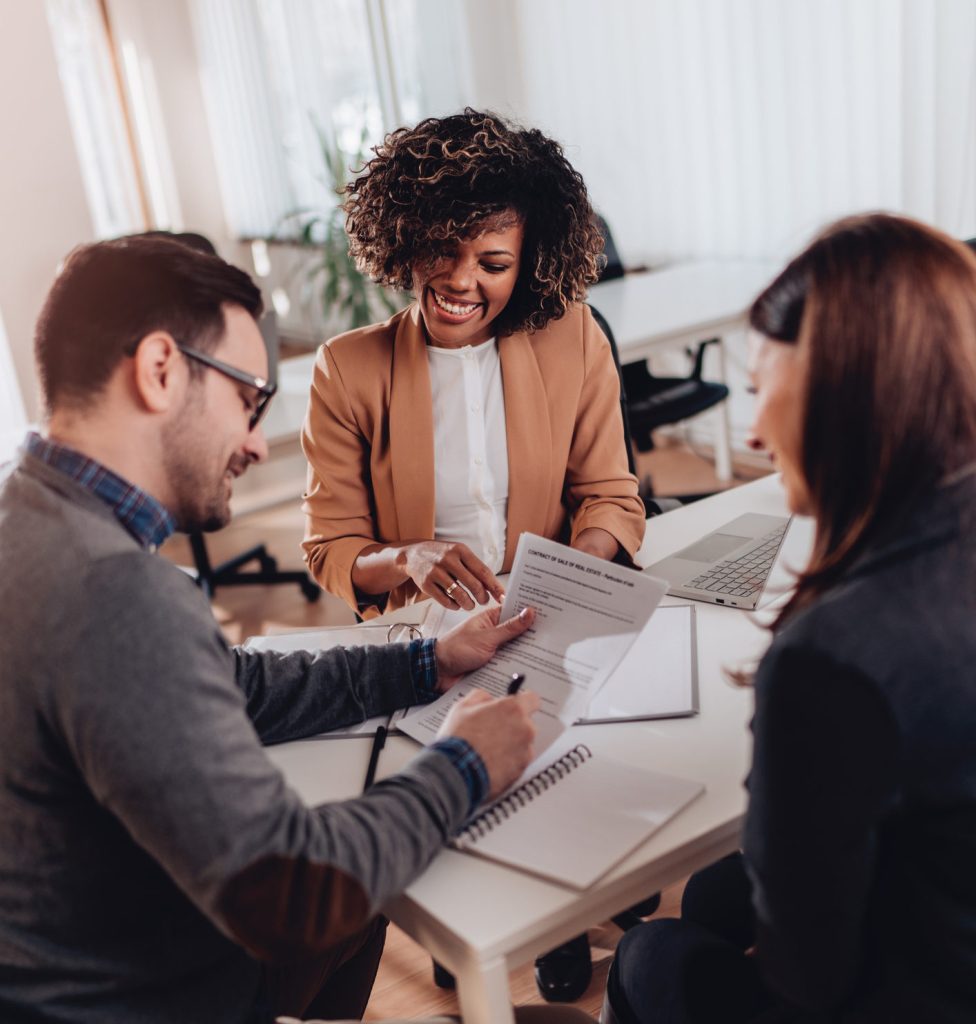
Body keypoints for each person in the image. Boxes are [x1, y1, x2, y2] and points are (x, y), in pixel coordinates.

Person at [0, 235, 546, 1024]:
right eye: (249, 398)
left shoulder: (31, 517)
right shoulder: (112, 591)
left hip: (98, 968)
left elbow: (230, 680)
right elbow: (293, 894)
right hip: (152, 998)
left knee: (368, 883)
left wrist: (427, 662)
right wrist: (465, 765)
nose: (257, 442)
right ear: (160, 369)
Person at [300, 108, 648, 1002]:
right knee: (475, 795)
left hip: (545, 610)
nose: (462, 284)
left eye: (493, 264)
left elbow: (609, 492)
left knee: (568, 771)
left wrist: (576, 573)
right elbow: (333, 547)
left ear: (527, 262)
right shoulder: (350, 368)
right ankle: (492, 931)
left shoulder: (570, 337)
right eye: (443, 254)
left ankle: (564, 917)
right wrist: (407, 558)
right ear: (406, 238)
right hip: (424, 638)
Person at [602, 213, 976, 1023]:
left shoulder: (833, 658)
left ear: (843, 398)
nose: (756, 432)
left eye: (765, 390)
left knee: (646, 953)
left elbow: (808, 981)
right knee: (710, 893)